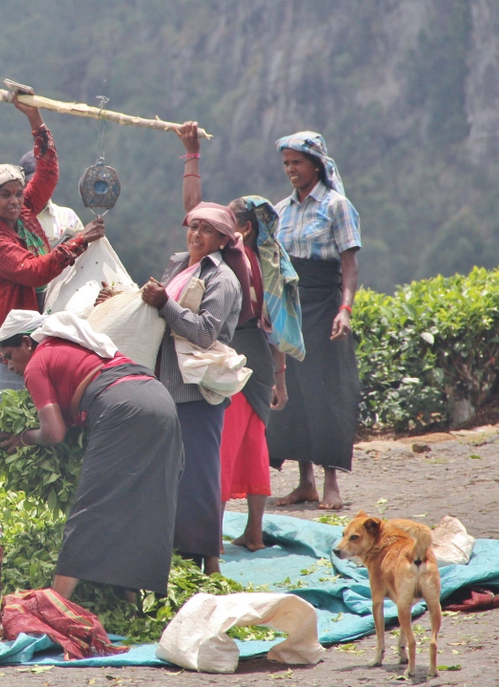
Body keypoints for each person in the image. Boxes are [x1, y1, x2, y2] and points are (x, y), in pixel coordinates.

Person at [0, 309, 183, 600]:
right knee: (143, 501)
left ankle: (57, 601)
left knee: (91, 506)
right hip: (159, 400)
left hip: (123, 407)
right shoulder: (75, 347)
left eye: (8, 355)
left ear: (26, 343)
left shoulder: (37, 363)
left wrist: (23, 438)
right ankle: (130, 599)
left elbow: (54, 433)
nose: (8, 366)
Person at [177, 122, 289, 551]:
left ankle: (212, 539)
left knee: (220, 445)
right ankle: (255, 532)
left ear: (236, 230)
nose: (200, 229)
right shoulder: (268, 262)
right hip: (259, 357)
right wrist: (279, 378)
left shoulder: (228, 259)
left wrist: (191, 155)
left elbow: (192, 209)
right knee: (253, 442)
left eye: (218, 223)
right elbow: (275, 325)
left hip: (232, 354)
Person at [0, 88, 106, 406]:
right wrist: (80, 239)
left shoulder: (26, 210)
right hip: (12, 349)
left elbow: (47, 172)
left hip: (39, 337)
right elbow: (34, 272)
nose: (15, 200)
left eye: (18, 192)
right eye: (6, 195)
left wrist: (34, 116)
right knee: (7, 426)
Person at [141, 200, 246, 574]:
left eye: (206, 230)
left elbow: (204, 332)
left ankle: (209, 561)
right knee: (174, 474)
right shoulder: (178, 264)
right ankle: (180, 555)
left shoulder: (222, 279)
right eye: (193, 226)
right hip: (167, 383)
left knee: (199, 475)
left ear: (221, 239)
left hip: (196, 390)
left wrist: (165, 304)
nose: (196, 235)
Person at [266, 131, 361, 511]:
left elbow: (350, 265)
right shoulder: (280, 211)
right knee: (294, 390)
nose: (291, 169)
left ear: (316, 165)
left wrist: (345, 308)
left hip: (324, 304)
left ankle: (330, 482)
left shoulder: (337, 206)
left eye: (298, 162)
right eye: (286, 163)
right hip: (291, 306)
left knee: (327, 391)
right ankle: (304, 482)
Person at [18, 150, 84, 244]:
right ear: (23, 184)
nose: (41, 188)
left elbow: (85, 253)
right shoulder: (14, 219)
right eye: (35, 184)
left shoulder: (68, 216)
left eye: (46, 182)